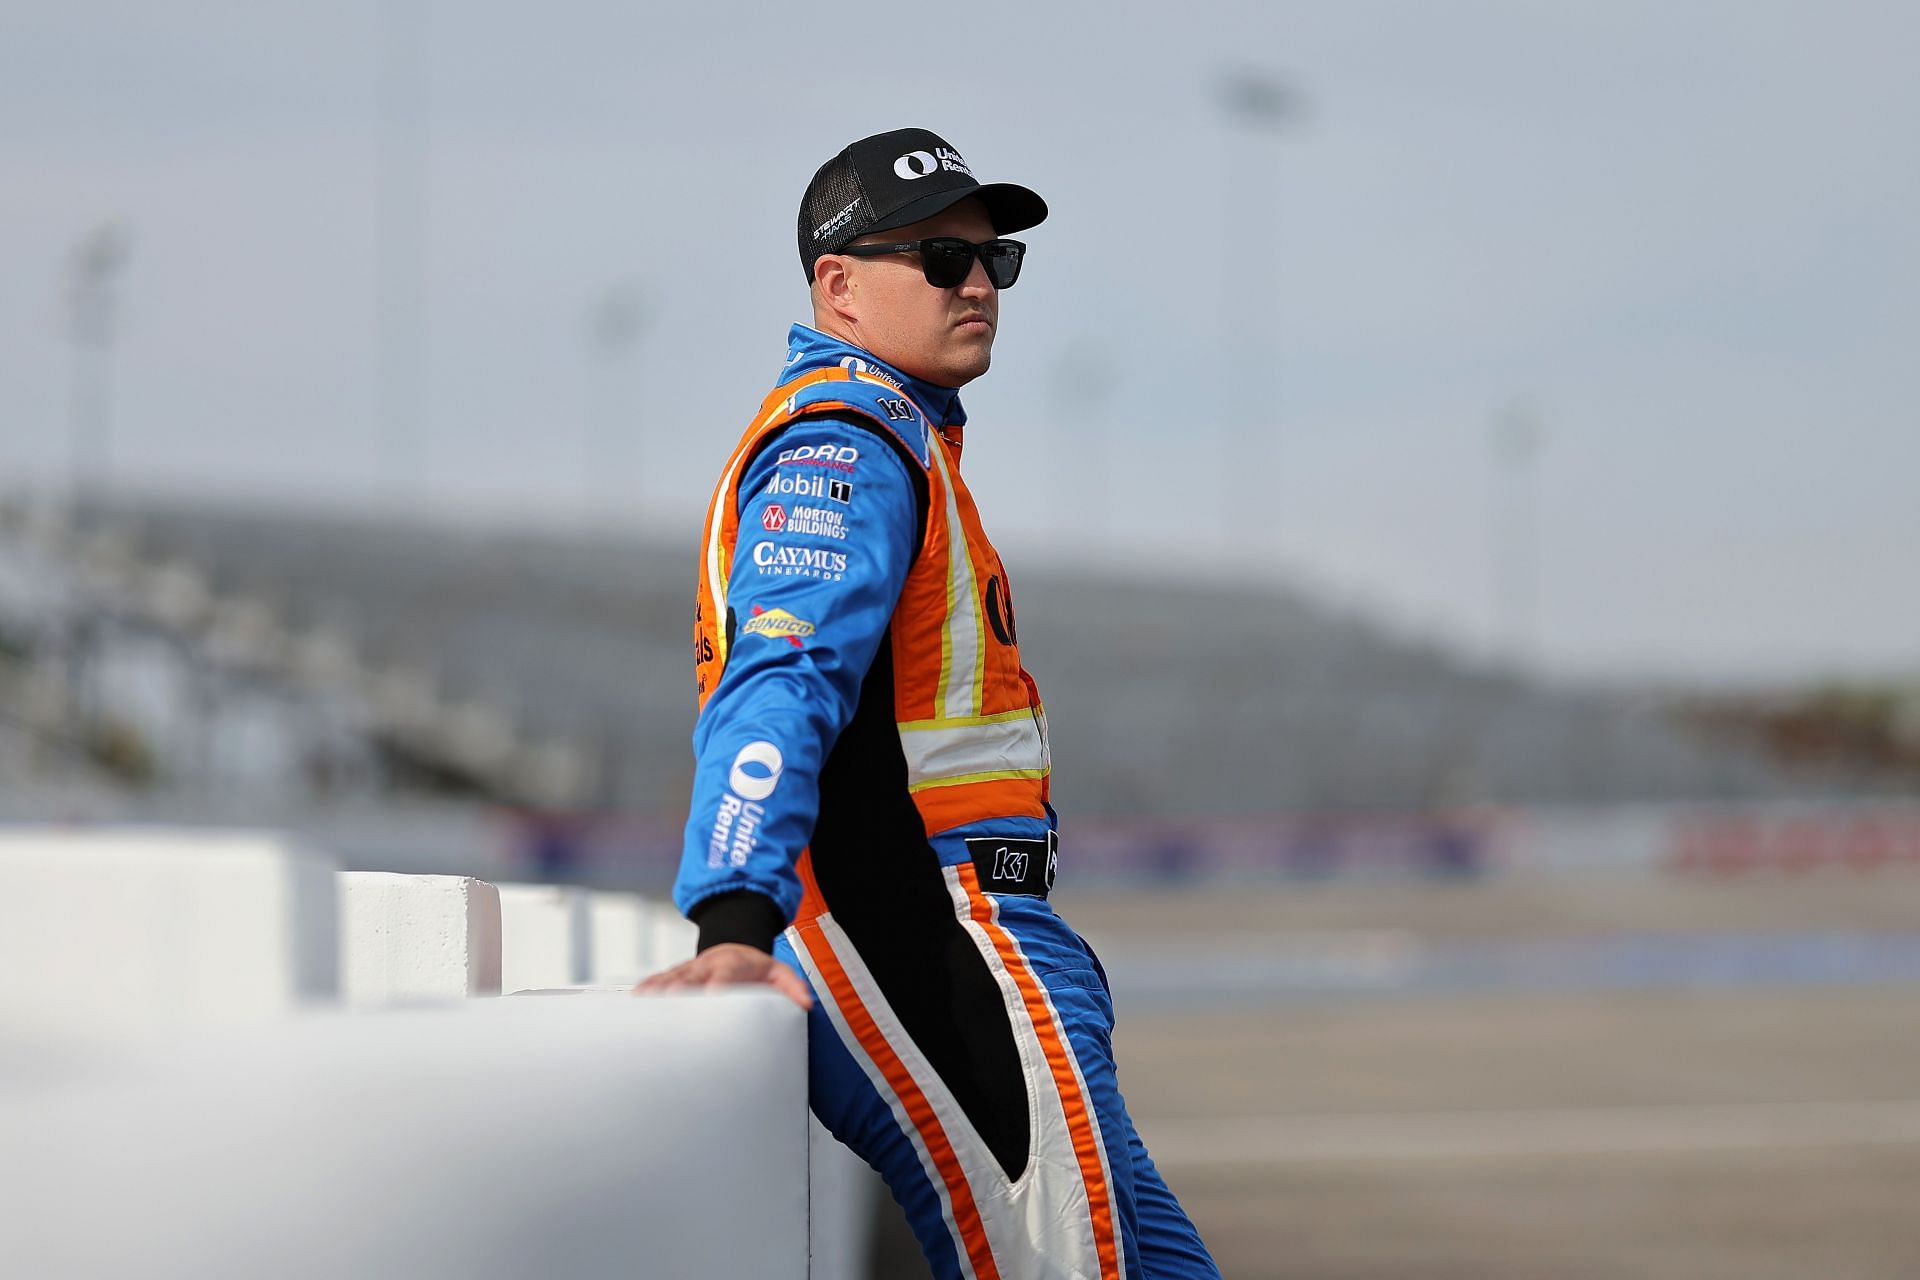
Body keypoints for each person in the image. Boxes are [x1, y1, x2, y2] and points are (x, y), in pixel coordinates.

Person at [637, 127, 1219, 1280]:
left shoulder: (902, 437)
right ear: (838, 285)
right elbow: (780, 679)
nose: (977, 284)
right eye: (938, 258)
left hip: (980, 932)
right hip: (926, 935)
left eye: (992, 259)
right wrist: (735, 914)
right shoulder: (842, 439)